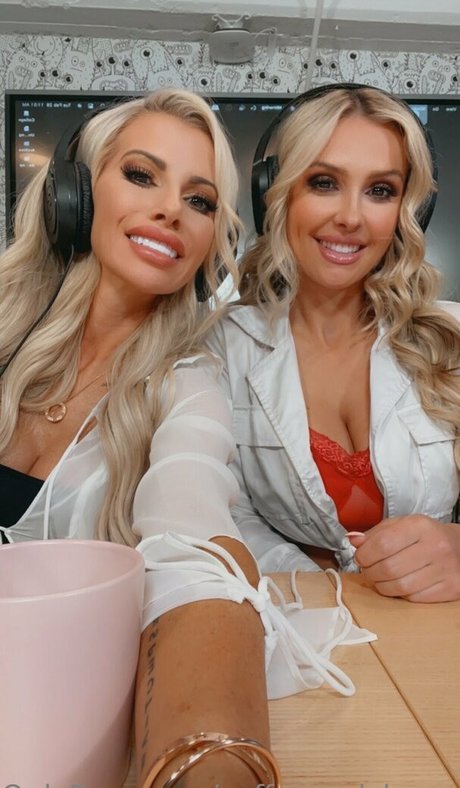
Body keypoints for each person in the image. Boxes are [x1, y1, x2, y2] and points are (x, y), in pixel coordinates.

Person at [0, 89, 280, 786]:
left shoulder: (189, 382)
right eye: (140, 175)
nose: (170, 210)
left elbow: (194, 541)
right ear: (74, 195)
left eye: (200, 200)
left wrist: (208, 758)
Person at [207, 83, 460, 605]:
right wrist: (327, 588)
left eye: (380, 190)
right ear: (277, 195)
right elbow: (224, 512)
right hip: (299, 620)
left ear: (408, 211)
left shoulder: (452, 335)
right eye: (324, 182)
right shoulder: (221, 348)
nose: (350, 217)